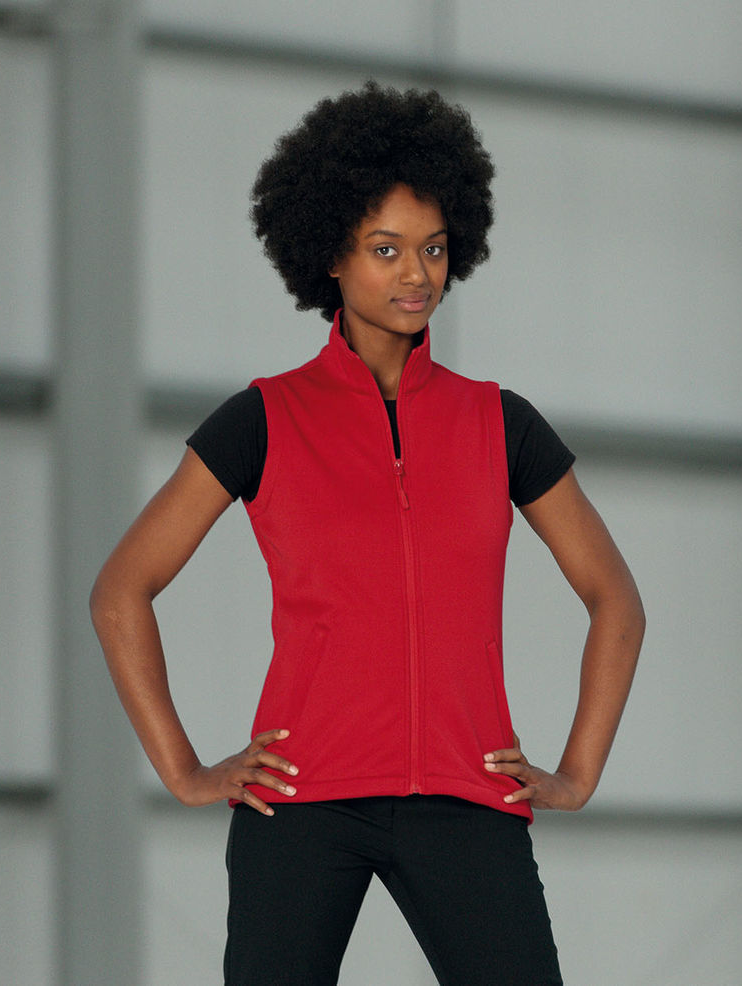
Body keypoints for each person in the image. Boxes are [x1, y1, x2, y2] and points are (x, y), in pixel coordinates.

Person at [89, 81, 645, 985]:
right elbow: (121, 590)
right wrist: (185, 770)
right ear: (331, 257)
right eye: (386, 249)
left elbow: (615, 598)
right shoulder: (265, 419)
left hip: (467, 796)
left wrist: (576, 773)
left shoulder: (499, 424)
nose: (416, 274)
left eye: (433, 247)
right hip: (301, 800)